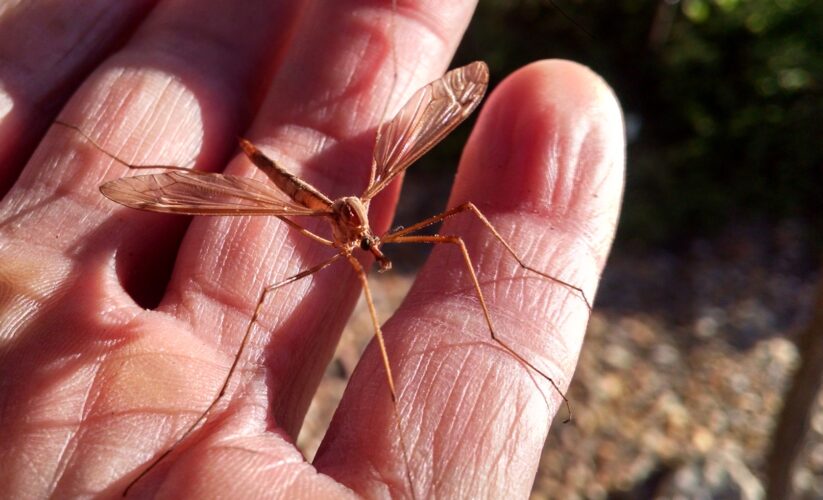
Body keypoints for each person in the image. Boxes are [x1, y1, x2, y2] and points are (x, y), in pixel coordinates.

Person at [0, 1, 624, 497]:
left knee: (461, 218)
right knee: (260, 260)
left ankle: (506, 312)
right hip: (289, 190)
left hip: (342, 202)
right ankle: (219, 398)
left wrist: (513, 278)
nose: (376, 254)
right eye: (372, 248)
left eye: (373, 248)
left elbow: (461, 196)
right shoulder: (323, 228)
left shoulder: (368, 226)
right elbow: (277, 286)